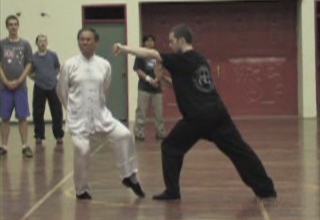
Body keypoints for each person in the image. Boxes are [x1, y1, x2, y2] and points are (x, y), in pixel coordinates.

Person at [113, 24, 277, 200]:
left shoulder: (181, 59)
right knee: (240, 151)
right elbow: (184, 84)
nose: (169, 45)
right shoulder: (200, 59)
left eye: (171, 41)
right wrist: (163, 80)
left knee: (170, 147)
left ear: (181, 40)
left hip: (197, 118)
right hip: (218, 114)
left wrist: (124, 48)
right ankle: (266, 189)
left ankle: (172, 191)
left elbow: (152, 54)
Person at [56, 27, 145, 200]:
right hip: (78, 118)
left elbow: (105, 89)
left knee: (124, 135)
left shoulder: (104, 65)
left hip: (101, 115)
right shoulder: (69, 65)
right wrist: (72, 109)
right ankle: (81, 190)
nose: (84, 42)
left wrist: (98, 106)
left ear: (96, 42)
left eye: (88, 39)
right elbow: (61, 91)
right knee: (82, 149)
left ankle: (129, 176)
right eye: (81, 39)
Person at [0, 15, 33, 158]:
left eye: (15, 24)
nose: (13, 27)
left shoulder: (25, 44)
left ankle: (25, 146)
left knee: (22, 117)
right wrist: (6, 81)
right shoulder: (1, 44)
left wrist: (19, 80)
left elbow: (29, 64)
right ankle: (4, 146)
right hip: (4, 88)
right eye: (10, 24)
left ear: (18, 26)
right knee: (5, 118)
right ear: (6, 27)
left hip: (20, 88)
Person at [29, 34, 64, 147]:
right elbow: (29, 72)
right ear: (37, 43)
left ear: (47, 42)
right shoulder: (33, 58)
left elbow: (58, 68)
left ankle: (58, 135)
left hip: (53, 86)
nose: (42, 43)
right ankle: (39, 135)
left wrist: (52, 77)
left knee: (57, 111)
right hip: (39, 87)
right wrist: (36, 78)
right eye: (40, 41)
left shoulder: (53, 55)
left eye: (44, 41)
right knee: (38, 112)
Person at [133, 34, 166, 140]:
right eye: (147, 41)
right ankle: (139, 132)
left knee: (159, 112)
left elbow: (162, 69)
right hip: (144, 88)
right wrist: (149, 80)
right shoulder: (140, 55)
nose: (150, 43)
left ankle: (160, 132)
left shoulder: (157, 55)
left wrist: (157, 79)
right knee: (141, 111)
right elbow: (138, 70)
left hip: (157, 88)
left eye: (152, 41)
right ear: (144, 43)